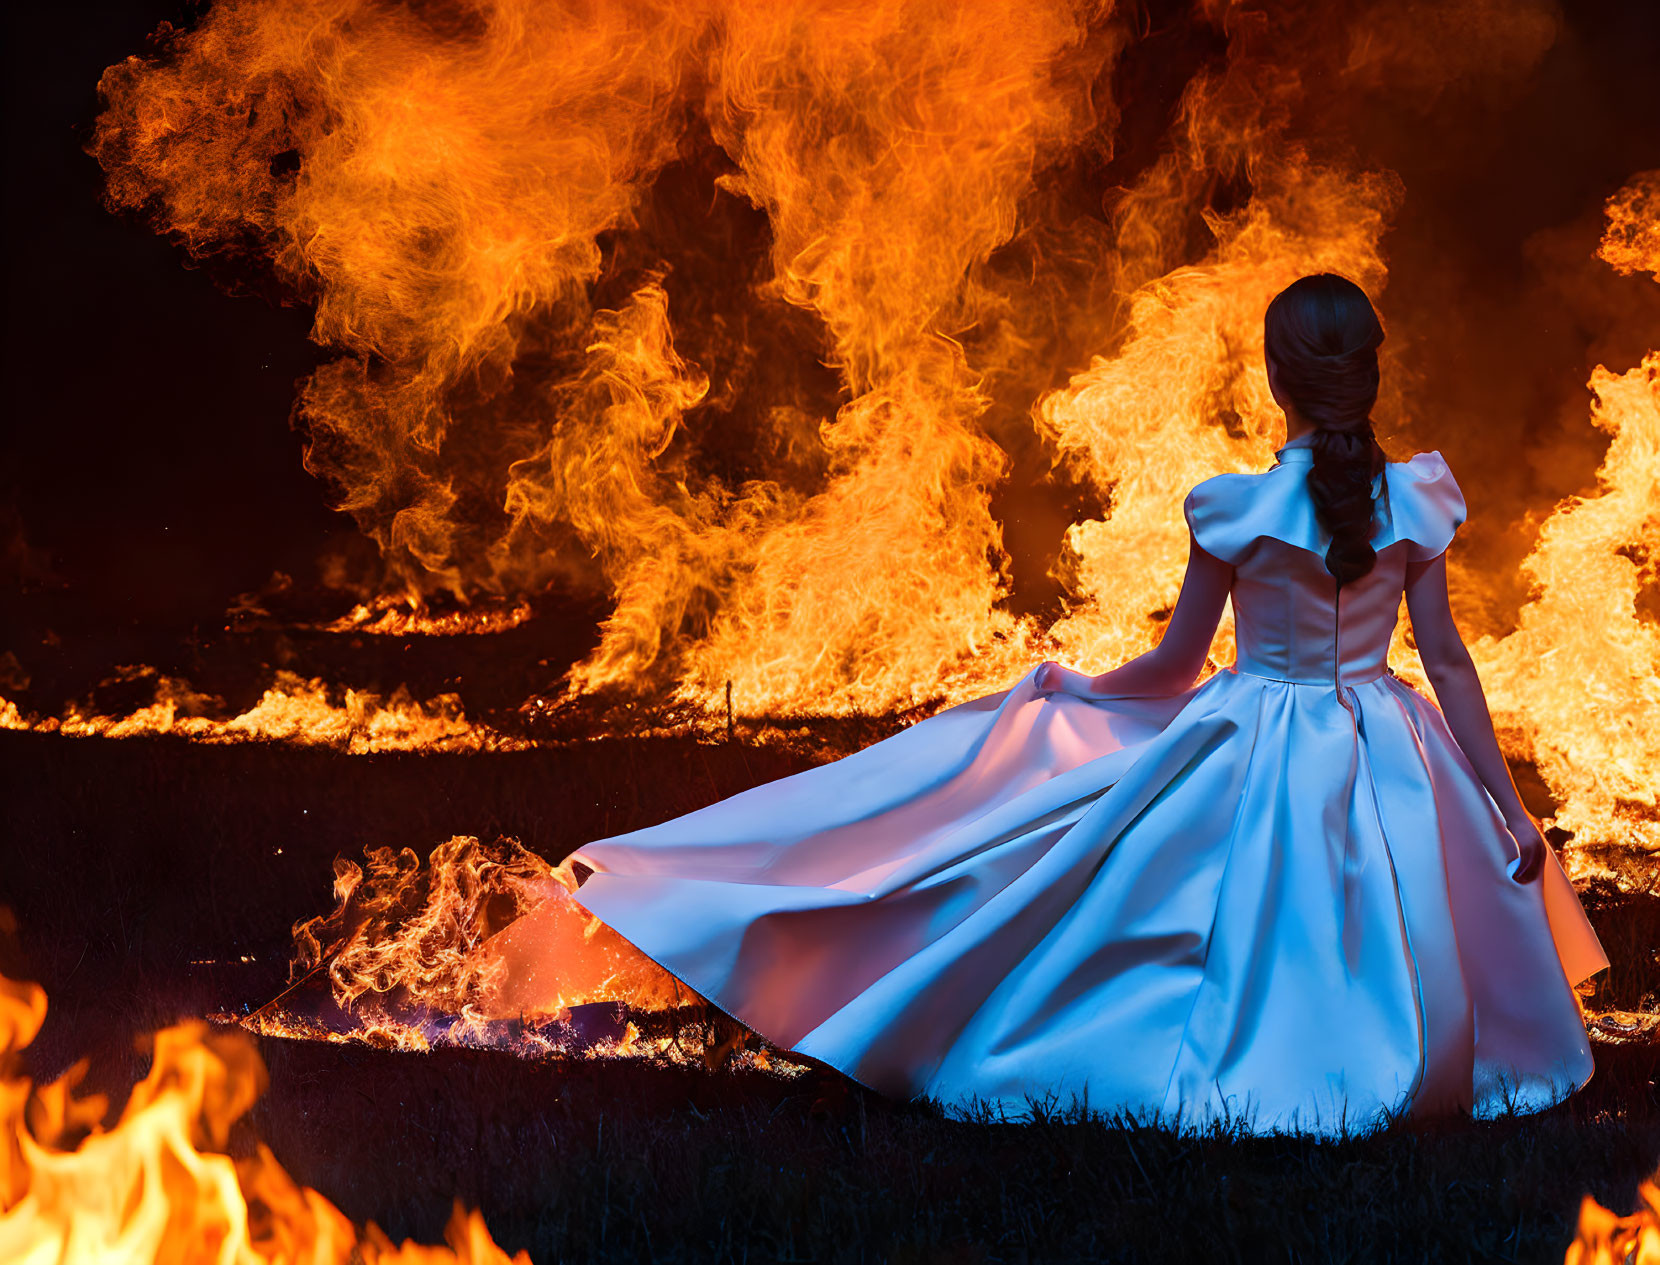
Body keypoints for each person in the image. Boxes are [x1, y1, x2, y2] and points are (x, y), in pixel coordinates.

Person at [485, 273, 1607, 1135]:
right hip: (1387, 743)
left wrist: (1076, 690)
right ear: (1371, 373)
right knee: (1387, 906)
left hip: (1252, 733)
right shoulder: (1415, 498)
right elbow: (1448, 664)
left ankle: (1228, 1051)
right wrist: (1499, 806)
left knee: (1146, 895)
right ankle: (1394, 1053)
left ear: (1274, 380)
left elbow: (1174, 669)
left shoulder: (1234, 508)